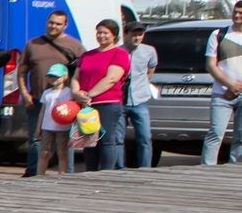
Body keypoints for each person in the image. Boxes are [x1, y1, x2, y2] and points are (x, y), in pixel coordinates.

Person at [20, 10, 85, 177]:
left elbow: (83, 71)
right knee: (36, 140)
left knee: (65, 142)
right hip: (37, 100)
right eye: (51, 22)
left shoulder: (75, 45)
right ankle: (33, 174)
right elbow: (22, 71)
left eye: (58, 23)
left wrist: (77, 94)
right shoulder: (32, 44)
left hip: (65, 103)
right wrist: (25, 94)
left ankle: (67, 174)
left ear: (65, 25)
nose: (53, 26)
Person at [73, 19, 131, 172]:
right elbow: (75, 78)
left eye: (105, 33)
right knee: (88, 139)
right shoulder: (87, 55)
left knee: (106, 139)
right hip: (87, 105)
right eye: (99, 32)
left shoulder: (120, 54)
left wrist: (89, 94)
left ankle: (106, 172)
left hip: (108, 103)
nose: (101, 36)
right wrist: (77, 92)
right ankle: (90, 170)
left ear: (114, 36)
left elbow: (111, 78)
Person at [209, 0, 242, 165]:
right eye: (235, 12)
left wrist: (238, 88)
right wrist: (230, 85)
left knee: (240, 137)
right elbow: (210, 65)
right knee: (215, 134)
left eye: (240, 13)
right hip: (222, 93)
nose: (236, 15)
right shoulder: (218, 34)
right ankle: (205, 171)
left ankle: (235, 169)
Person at [124, 21, 160, 169]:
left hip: (140, 99)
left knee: (144, 137)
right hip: (121, 99)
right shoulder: (119, 51)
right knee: (119, 138)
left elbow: (151, 69)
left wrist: (143, 82)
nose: (137, 37)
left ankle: (145, 168)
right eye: (134, 34)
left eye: (140, 34)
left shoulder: (149, 51)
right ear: (126, 35)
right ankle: (118, 167)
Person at [36, 63, 78, 177]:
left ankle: (62, 175)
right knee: (45, 152)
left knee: (62, 152)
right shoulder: (47, 93)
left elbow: (73, 108)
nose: (53, 79)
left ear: (65, 77)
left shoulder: (69, 92)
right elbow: (42, 111)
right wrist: (38, 127)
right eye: (51, 76)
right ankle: (39, 175)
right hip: (47, 127)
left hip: (63, 127)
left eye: (57, 76)